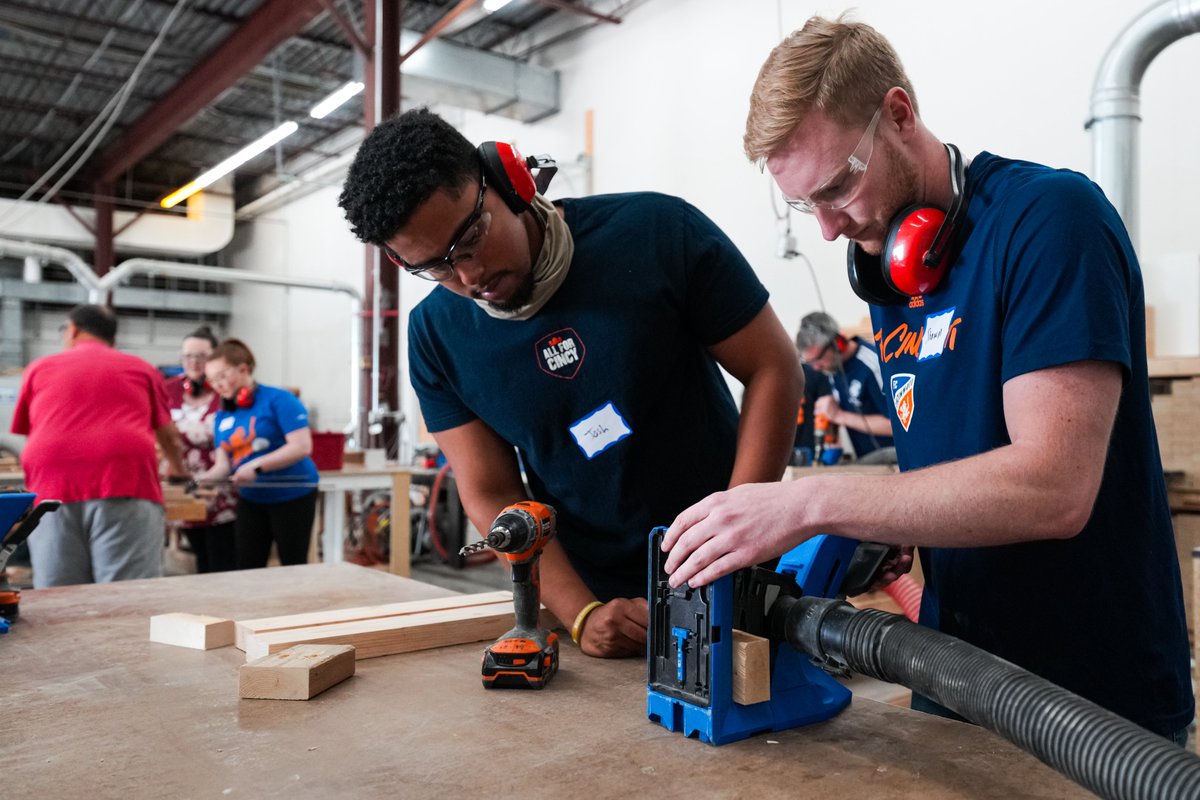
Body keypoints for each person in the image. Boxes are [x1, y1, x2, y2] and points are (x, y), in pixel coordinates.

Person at [662, 15, 1193, 743]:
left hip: (1094, 699)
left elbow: (1054, 489)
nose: (827, 229)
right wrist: (891, 531)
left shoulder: (1049, 224)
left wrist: (815, 502)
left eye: (838, 186)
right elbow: (948, 464)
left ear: (899, 114)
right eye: (803, 204)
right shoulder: (890, 269)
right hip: (954, 678)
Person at [338, 108, 802, 658]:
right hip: (603, 599)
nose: (469, 277)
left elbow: (774, 368)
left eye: (472, 239)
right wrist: (581, 613)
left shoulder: (654, 234)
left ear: (508, 180)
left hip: (741, 570)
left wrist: (735, 541)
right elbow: (491, 490)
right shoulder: (437, 336)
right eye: (437, 267)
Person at [11, 304, 188, 588]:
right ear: (112, 339)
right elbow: (169, 436)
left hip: (52, 487)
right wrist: (179, 469)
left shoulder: (39, 368)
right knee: (126, 593)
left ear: (72, 330)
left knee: (60, 596)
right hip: (124, 481)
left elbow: (30, 431)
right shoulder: (140, 368)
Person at [193, 339, 318, 570]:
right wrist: (200, 481)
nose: (217, 385)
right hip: (252, 498)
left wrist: (258, 466)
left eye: (222, 376)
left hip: (292, 495)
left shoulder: (280, 400)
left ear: (243, 369)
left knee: (293, 564)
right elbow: (224, 464)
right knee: (248, 566)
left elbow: (301, 446)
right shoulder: (223, 415)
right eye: (212, 380)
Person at [164, 326, 237, 573]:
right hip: (183, 489)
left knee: (220, 562)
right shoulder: (168, 389)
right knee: (196, 560)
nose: (193, 362)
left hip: (221, 492)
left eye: (201, 356)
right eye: (188, 356)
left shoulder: (227, 391)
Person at [796, 311, 894, 461]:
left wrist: (840, 416)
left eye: (819, 359)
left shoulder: (872, 364)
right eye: (810, 362)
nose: (815, 368)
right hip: (868, 459)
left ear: (838, 343)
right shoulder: (833, 369)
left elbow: (895, 426)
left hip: (894, 458)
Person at [791, 361, 830, 465]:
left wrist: (831, 445)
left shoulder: (814, 373)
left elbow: (827, 412)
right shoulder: (763, 377)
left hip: (810, 449)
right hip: (777, 449)